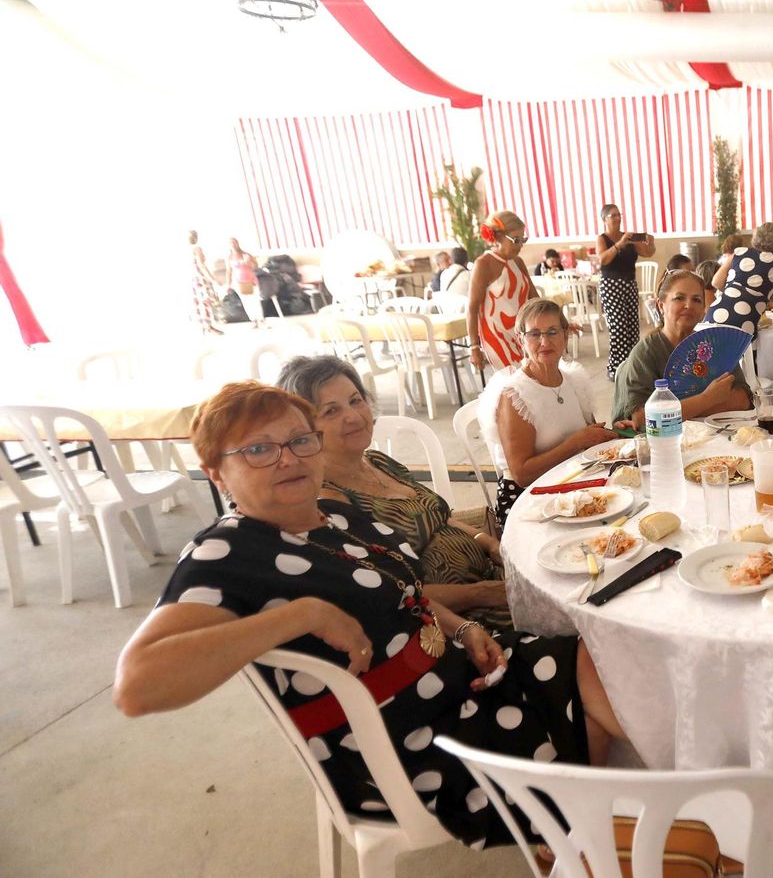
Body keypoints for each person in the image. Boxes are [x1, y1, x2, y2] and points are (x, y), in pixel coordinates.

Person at [113, 380, 625, 848]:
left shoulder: (332, 514)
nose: (287, 459)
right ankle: (581, 835)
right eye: (258, 449)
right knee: (592, 702)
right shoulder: (225, 553)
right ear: (214, 471)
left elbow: (402, 593)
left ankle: (579, 834)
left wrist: (463, 628)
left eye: (299, 440)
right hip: (407, 743)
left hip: (458, 679)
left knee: (595, 660)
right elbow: (137, 686)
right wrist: (301, 615)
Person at [275, 356, 510, 628]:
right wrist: (483, 593)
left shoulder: (377, 461)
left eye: (355, 400)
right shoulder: (331, 502)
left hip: (491, 582)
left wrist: (488, 543)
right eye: (331, 411)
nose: (353, 416)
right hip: (456, 623)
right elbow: (391, 591)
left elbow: (437, 517)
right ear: (303, 432)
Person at [480, 299, 624, 527]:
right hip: (528, 499)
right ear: (520, 340)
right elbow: (521, 475)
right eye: (534, 334)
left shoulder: (574, 380)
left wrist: (617, 433)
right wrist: (575, 443)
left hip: (574, 484)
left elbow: (590, 437)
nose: (544, 342)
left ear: (565, 335)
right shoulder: (515, 395)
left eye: (552, 332)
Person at [613, 270, 754, 426]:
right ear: (661, 305)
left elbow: (742, 400)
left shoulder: (713, 346)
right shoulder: (646, 353)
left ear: (703, 311)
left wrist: (673, 412)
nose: (688, 305)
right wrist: (708, 399)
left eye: (696, 300)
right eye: (679, 298)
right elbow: (642, 419)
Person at [705, 222, 773, 335]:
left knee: (707, 345)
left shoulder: (739, 252)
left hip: (715, 314)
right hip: (743, 319)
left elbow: (716, 282)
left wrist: (738, 293)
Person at [467, 211, 537, 372]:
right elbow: (472, 307)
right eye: (516, 240)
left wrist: (558, 323)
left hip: (523, 333)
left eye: (523, 240)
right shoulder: (483, 264)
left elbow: (534, 298)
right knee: (514, 381)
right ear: (498, 236)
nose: (520, 245)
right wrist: (474, 347)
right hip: (496, 336)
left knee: (532, 379)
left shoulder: (518, 262)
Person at [596, 204, 657, 379]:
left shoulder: (629, 237)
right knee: (619, 327)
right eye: (613, 215)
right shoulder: (602, 239)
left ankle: (632, 366)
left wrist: (651, 242)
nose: (617, 218)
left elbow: (648, 252)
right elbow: (602, 259)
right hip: (611, 285)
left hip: (629, 284)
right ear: (604, 219)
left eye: (619, 214)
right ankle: (616, 369)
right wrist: (619, 245)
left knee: (632, 328)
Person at [188, 230, 223, 335]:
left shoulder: (185, 250)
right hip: (200, 278)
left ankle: (203, 326)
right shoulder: (196, 248)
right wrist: (212, 279)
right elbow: (201, 265)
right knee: (205, 301)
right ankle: (208, 326)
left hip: (193, 279)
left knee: (198, 302)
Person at [227, 237, 264, 328]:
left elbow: (256, 266)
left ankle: (261, 320)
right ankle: (254, 321)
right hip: (239, 282)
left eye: (234, 242)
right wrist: (228, 284)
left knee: (255, 300)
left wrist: (249, 263)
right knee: (246, 302)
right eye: (231, 243)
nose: (233, 244)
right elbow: (229, 272)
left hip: (251, 280)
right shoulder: (229, 258)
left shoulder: (246, 254)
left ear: (238, 243)